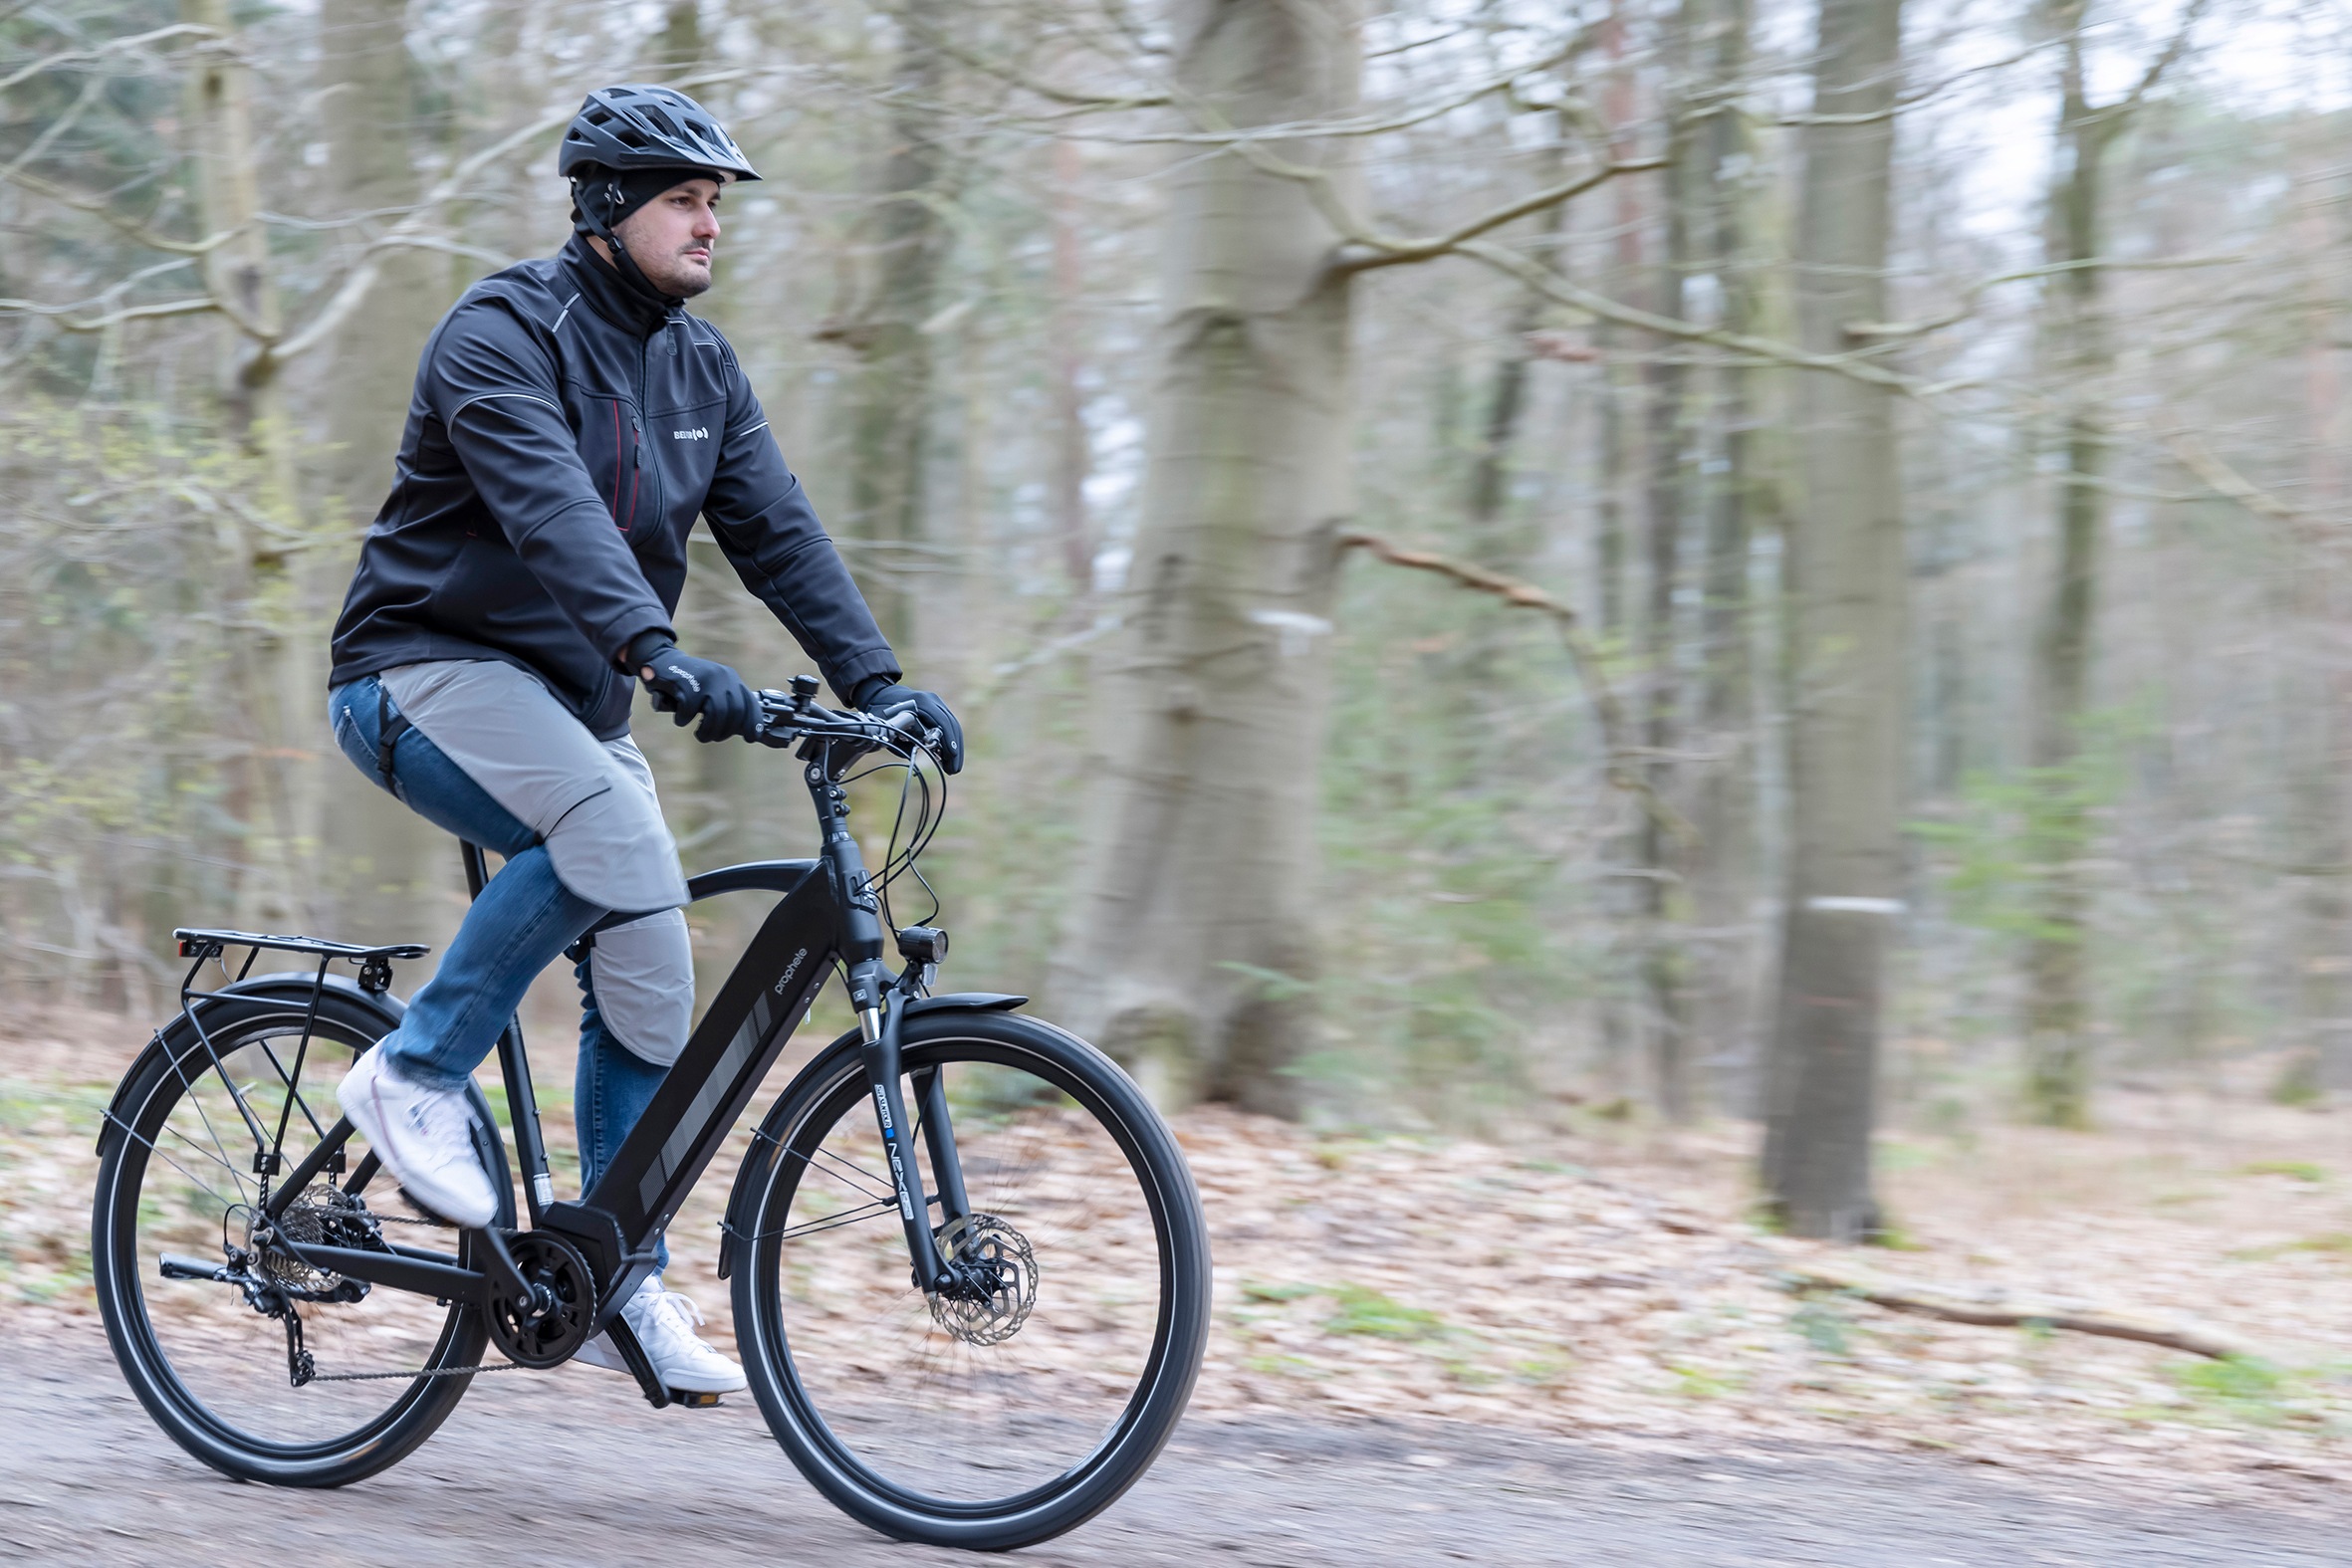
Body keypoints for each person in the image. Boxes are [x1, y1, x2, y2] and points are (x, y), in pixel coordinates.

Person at [325, 85, 961, 1395]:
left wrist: (878, 679)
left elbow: (775, 530)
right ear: (609, 205)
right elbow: (552, 512)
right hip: (418, 671)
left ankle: (617, 1271)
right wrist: (652, 649)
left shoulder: (699, 368)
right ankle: (415, 1074)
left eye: (715, 203)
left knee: (654, 972)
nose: (709, 225)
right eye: (685, 198)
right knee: (607, 835)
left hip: (568, 705)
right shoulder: (502, 333)